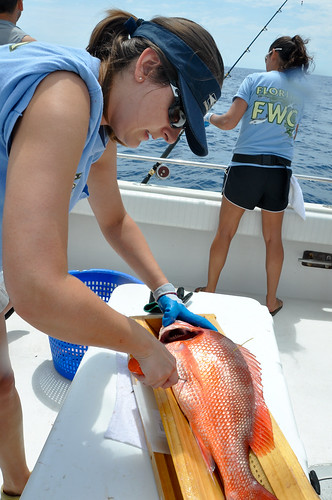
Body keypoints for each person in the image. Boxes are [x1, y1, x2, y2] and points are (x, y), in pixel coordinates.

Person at [0, 9, 223, 498]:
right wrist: (144, 347)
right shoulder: (64, 98)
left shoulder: (100, 122)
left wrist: (163, 290)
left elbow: (115, 220)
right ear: (145, 66)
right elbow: (37, 290)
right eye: (177, 113)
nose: (172, 136)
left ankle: (16, 485)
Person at [195, 35, 312, 316]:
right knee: (274, 239)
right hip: (279, 172)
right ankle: (271, 301)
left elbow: (228, 122)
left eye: (266, 55)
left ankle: (210, 292)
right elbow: (291, 133)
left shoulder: (254, 81)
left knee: (225, 232)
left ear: (274, 54)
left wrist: (206, 116)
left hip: (246, 168)